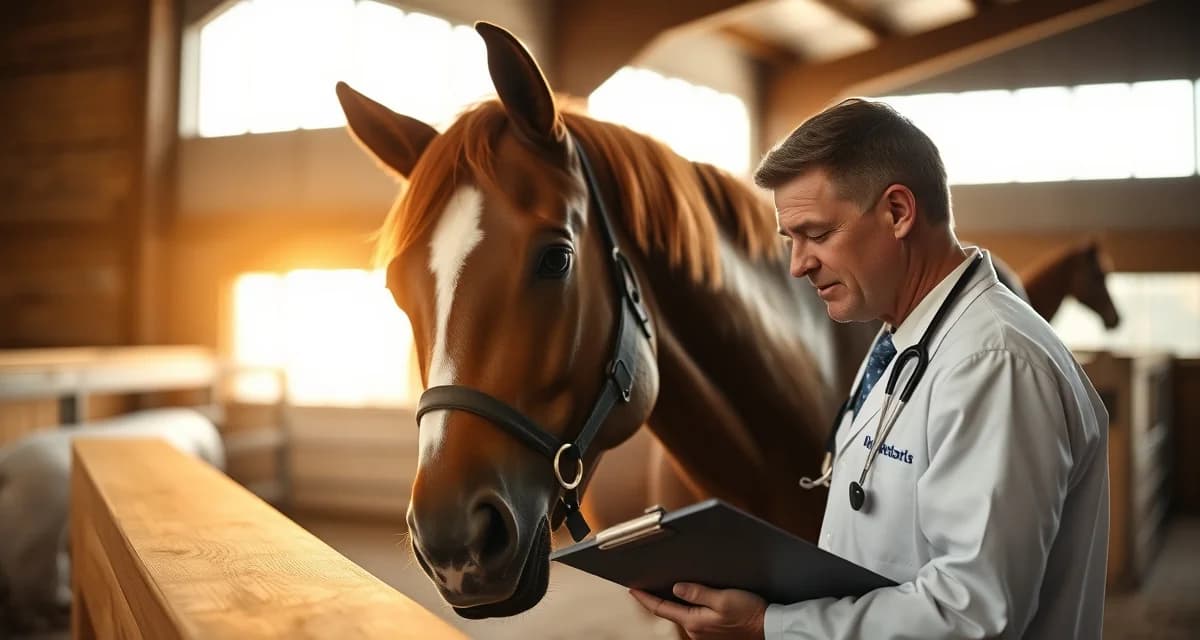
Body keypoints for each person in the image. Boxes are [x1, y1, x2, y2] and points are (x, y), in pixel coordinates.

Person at [630, 98, 1109, 639]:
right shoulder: (901, 341)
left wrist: (773, 626)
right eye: (791, 240)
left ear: (898, 212)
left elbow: (972, 615)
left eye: (817, 234)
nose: (798, 265)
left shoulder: (995, 365)